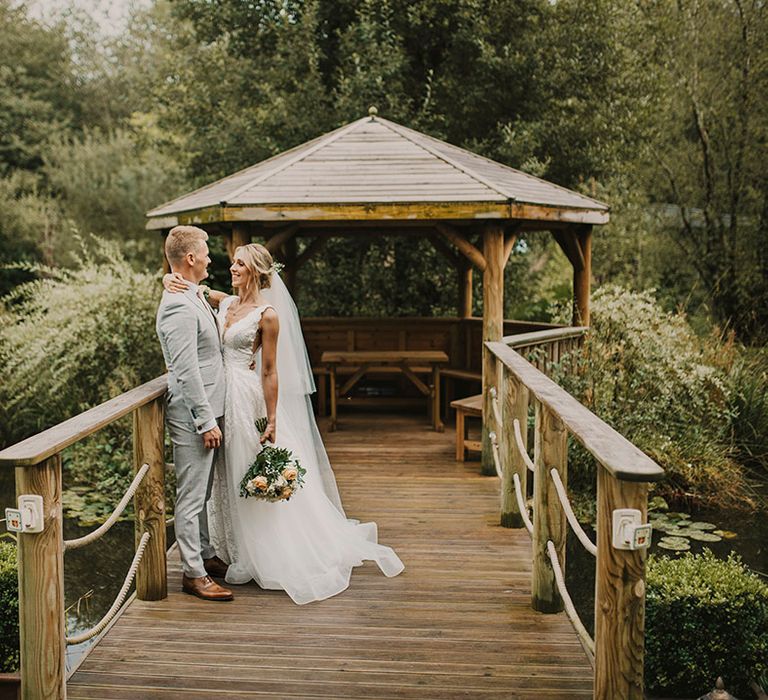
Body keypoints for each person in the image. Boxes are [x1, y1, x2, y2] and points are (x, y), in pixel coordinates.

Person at [163, 242, 404, 604]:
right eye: (230, 263)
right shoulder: (224, 302)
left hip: (246, 398)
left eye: (239, 265)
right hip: (219, 400)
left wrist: (272, 418)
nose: (231, 269)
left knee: (248, 468)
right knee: (223, 477)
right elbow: (192, 286)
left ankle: (268, 550)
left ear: (257, 272)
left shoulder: (268, 314)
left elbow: (271, 370)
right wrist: (170, 278)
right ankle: (229, 549)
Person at [155, 225, 234, 602]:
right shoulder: (175, 306)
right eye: (204, 252)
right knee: (190, 495)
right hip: (192, 416)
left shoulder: (190, 292)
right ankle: (193, 574)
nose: (209, 258)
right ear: (190, 258)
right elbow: (184, 371)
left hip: (211, 406)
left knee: (201, 493)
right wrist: (205, 421)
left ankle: (204, 554)